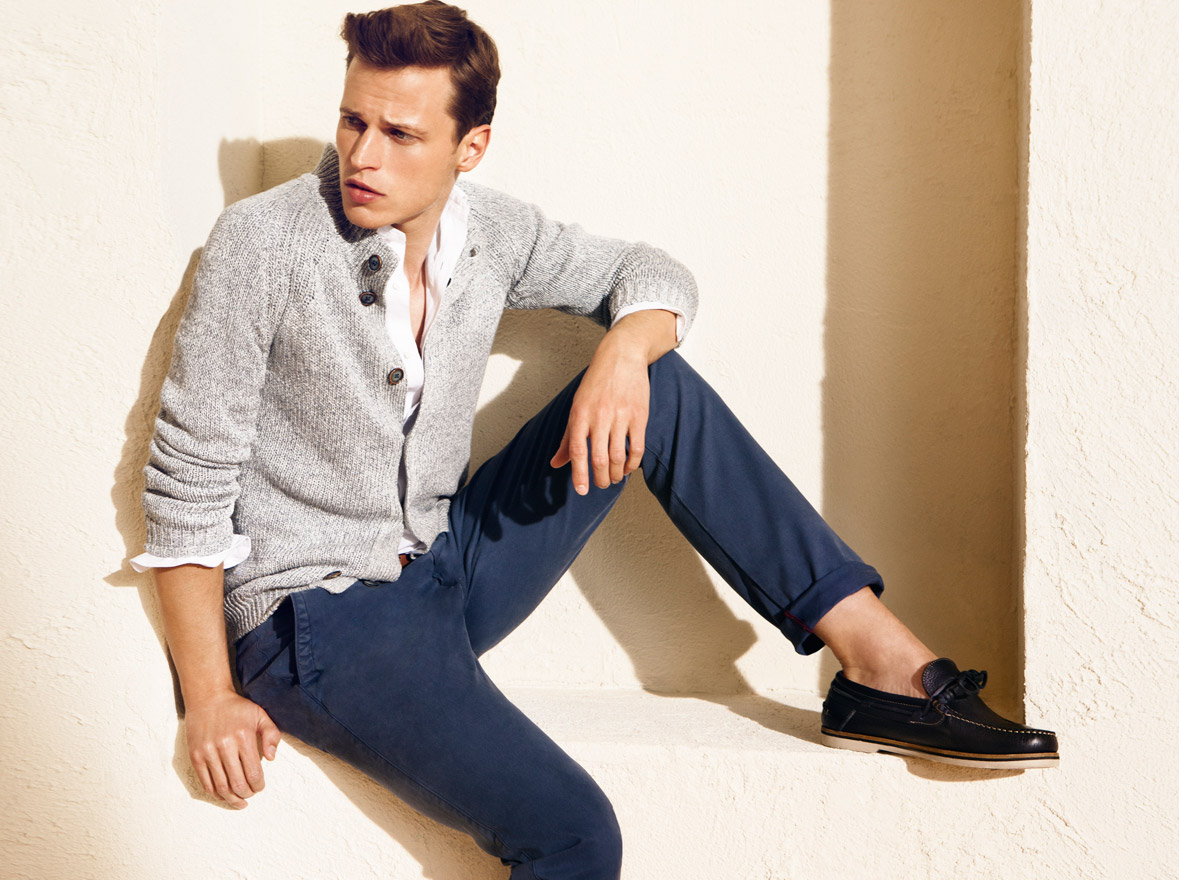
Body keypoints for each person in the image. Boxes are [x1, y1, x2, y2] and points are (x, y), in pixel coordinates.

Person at [134, 2, 1059, 876]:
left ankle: (880, 666)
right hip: (318, 619)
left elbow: (650, 270)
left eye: (401, 134)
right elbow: (186, 481)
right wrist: (209, 695)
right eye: (352, 122)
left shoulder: (488, 233)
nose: (362, 157)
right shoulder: (266, 242)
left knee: (660, 384)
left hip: (443, 569)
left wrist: (622, 348)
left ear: (469, 147)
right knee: (575, 831)